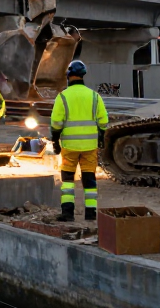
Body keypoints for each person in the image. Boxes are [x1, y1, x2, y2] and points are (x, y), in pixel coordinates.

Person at [50, 60, 109, 222]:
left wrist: (55, 141)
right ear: (83, 75)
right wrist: (101, 137)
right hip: (90, 146)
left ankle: (68, 213)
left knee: (68, 181)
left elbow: (56, 123)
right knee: (89, 179)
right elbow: (103, 121)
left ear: (68, 75)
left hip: (70, 147)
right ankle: (91, 213)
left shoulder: (63, 97)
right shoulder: (94, 96)